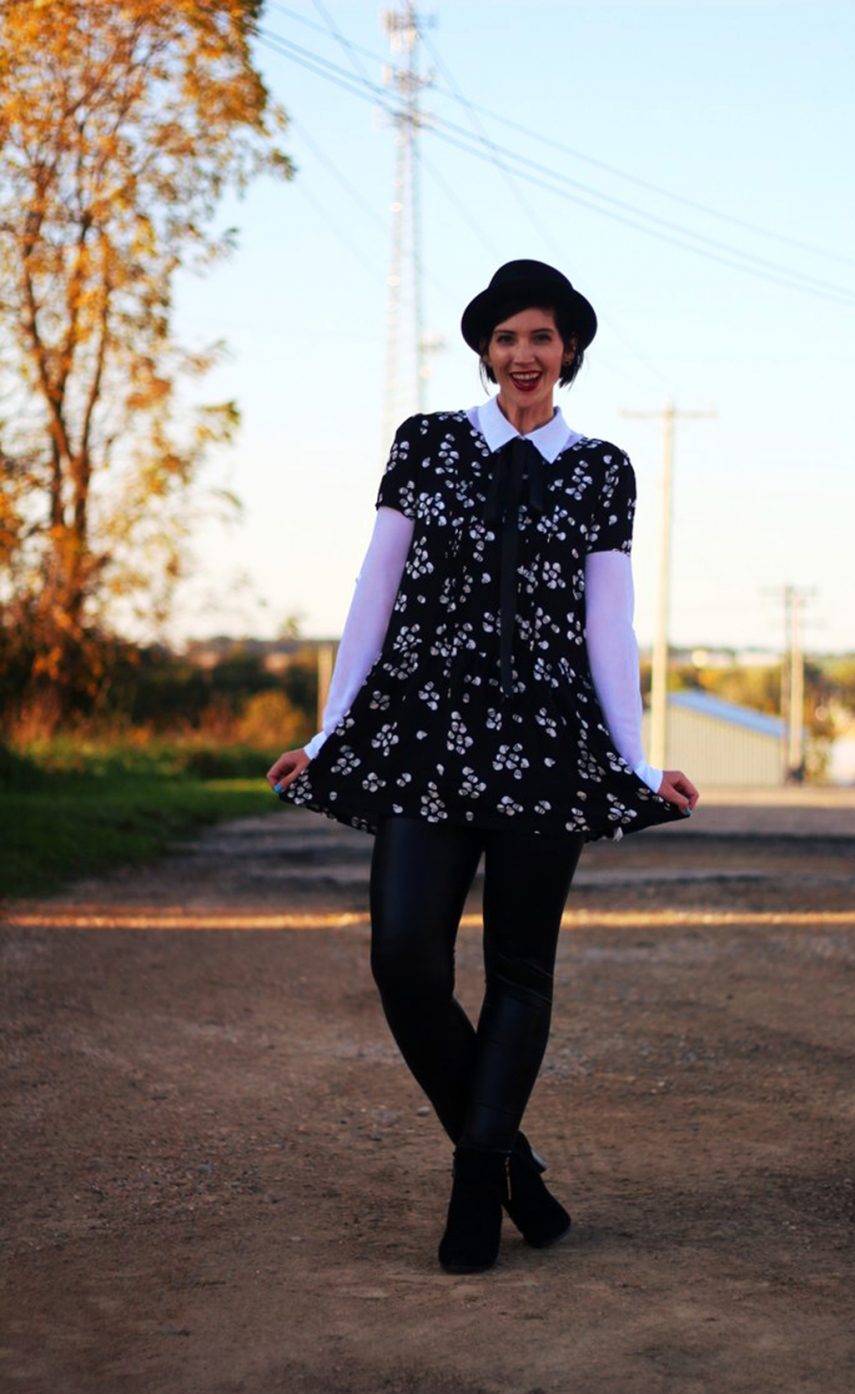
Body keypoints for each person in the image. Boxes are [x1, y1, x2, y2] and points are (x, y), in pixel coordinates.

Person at [267, 260, 699, 1275]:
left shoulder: (600, 469)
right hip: (425, 731)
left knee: (518, 968)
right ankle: (516, 1169)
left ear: (568, 351)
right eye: (506, 338)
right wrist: (330, 734)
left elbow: (608, 623)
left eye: (540, 337)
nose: (523, 355)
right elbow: (374, 589)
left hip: (547, 742)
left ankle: (474, 1183)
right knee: (403, 958)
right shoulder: (426, 443)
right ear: (485, 350)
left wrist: (633, 759)